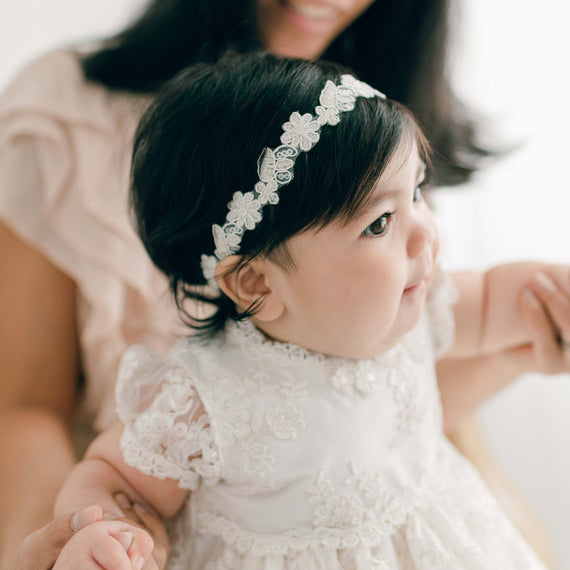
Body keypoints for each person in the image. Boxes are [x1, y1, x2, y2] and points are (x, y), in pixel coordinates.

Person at [1, 1, 568, 568]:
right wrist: (105, 534)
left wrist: (545, 301)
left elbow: (498, 299)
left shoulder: (407, 290)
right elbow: (112, 473)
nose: (427, 235)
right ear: (253, 281)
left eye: (416, 193)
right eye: (379, 223)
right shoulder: (205, 397)